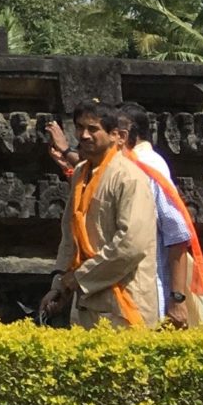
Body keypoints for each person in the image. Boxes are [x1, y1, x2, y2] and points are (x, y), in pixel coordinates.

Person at [41, 102, 161, 327]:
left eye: (93, 129)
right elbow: (70, 236)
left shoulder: (129, 177)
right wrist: (59, 285)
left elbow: (131, 245)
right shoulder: (80, 172)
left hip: (123, 300)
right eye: (79, 127)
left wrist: (78, 278)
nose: (84, 135)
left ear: (115, 135)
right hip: (86, 299)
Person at [126, 107, 203, 327]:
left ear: (126, 133)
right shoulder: (128, 164)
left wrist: (177, 298)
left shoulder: (147, 165)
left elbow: (178, 234)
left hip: (149, 286)